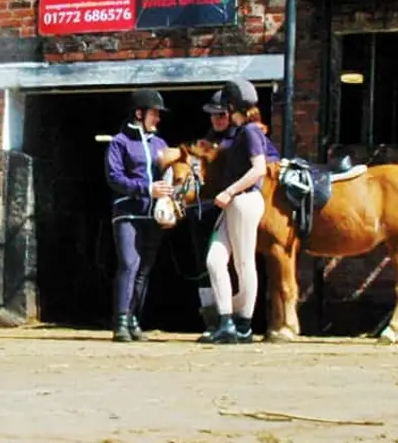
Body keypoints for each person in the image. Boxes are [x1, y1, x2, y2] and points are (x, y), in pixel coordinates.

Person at [103, 88, 182, 343]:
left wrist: (169, 201)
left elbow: (169, 177)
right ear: (139, 113)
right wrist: (146, 189)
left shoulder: (160, 145)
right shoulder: (119, 143)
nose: (158, 118)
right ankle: (120, 321)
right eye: (154, 113)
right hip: (128, 212)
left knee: (144, 270)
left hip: (153, 215)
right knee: (129, 264)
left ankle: (134, 318)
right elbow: (114, 178)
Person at [200, 78, 273, 344]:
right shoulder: (242, 132)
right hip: (233, 203)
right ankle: (226, 321)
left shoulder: (250, 131)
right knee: (215, 260)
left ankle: (243, 324)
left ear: (232, 107)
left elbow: (259, 169)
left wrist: (229, 191)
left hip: (243, 200)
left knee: (244, 263)